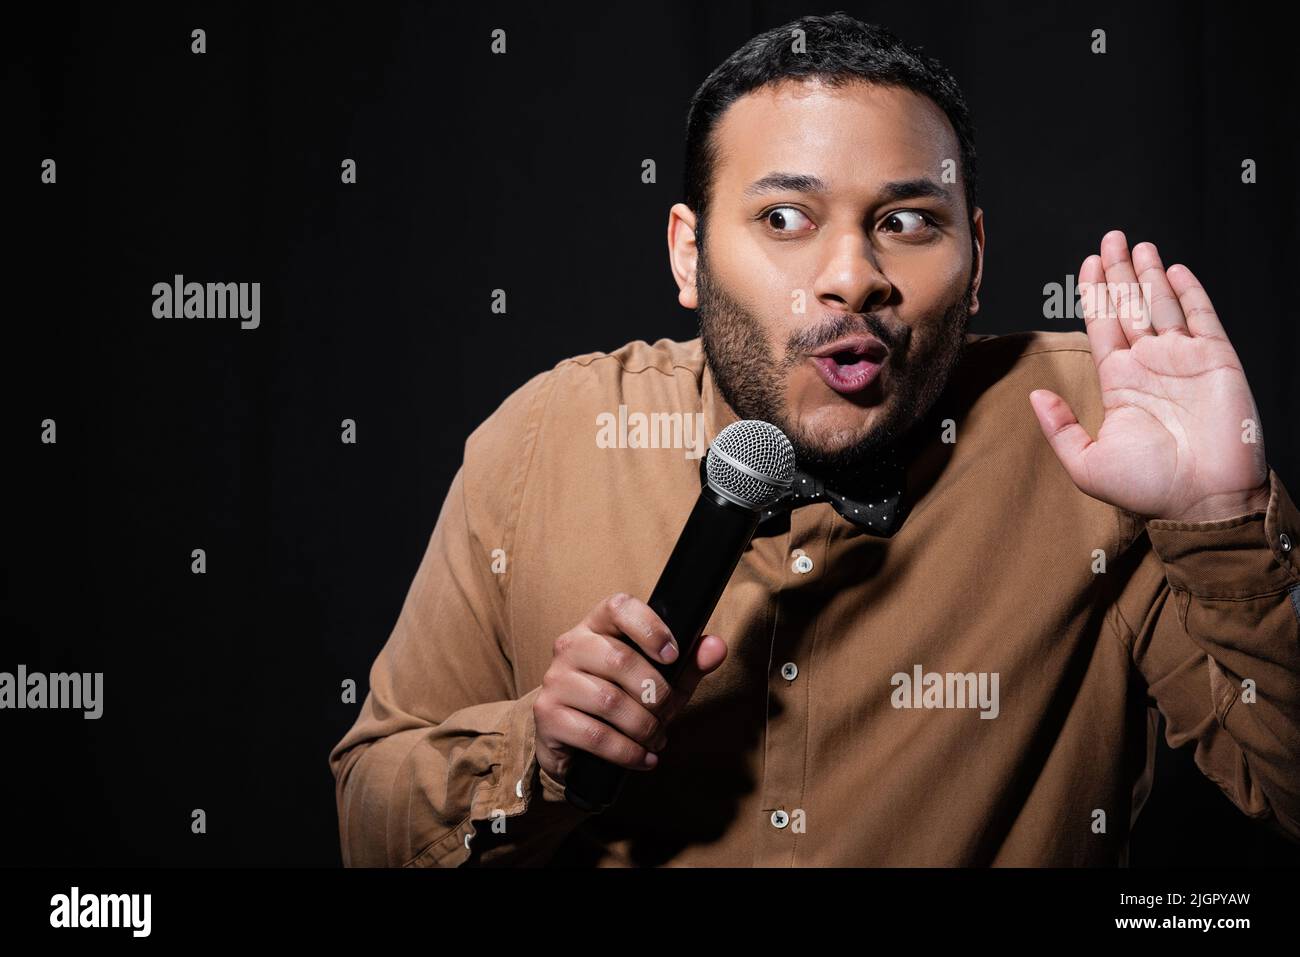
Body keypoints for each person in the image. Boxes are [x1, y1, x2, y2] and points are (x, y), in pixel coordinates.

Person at [328, 13, 1300, 866]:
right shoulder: (541, 439)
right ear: (687, 252)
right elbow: (368, 824)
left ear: (974, 265)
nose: (851, 276)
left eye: (908, 220)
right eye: (784, 217)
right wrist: (532, 756)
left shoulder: (1099, 432)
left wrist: (1221, 528)